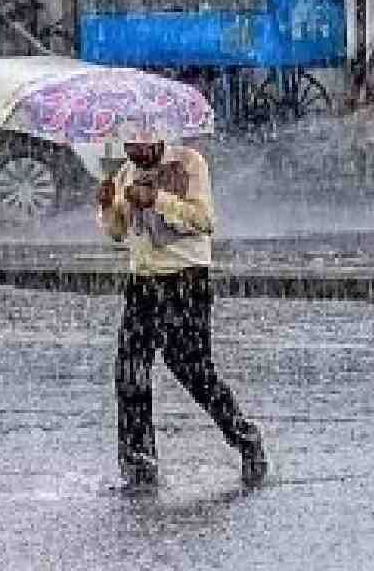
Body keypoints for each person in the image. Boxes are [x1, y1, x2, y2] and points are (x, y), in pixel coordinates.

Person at [96, 122, 267, 491]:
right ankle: (138, 464)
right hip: (142, 284)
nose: (135, 155)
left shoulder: (189, 163)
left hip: (185, 281)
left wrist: (156, 198)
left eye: (141, 147)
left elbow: (204, 220)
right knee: (130, 374)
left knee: (192, 370)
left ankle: (245, 439)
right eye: (129, 147)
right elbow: (118, 232)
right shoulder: (126, 173)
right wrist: (109, 206)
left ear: (158, 139)